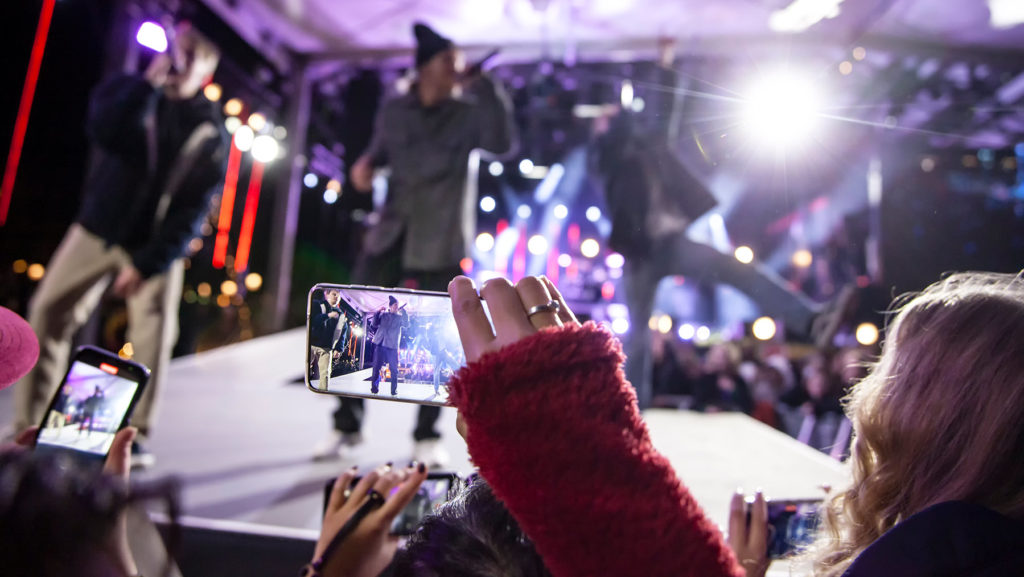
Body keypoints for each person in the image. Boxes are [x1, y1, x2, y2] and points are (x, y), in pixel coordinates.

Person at [12, 22, 228, 467]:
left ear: (207, 71)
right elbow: (103, 130)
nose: (180, 59)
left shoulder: (210, 131)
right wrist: (145, 87)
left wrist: (147, 264)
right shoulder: (134, 91)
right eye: (178, 48)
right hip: (99, 228)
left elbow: (192, 211)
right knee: (47, 312)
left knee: (153, 334)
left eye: (192, 55)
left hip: (154, 245)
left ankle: (134, 436)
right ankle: (31, 426)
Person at [315, 20, 516, 465]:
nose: (457, 68)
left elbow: (503, 142)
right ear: (426, 67)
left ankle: (426, 434)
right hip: (392, 230)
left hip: (441, 237)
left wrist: (484, 87)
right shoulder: (395, 110)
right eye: (449, 61)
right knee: (351, 317)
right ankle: (346, 424)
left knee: (439, 336)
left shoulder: (468, 114)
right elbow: (378, 153)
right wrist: (366, 166)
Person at [310, 288, 351, 391]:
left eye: (338, 296)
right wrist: (327, 316)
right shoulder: (317, 305)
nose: (336, 297)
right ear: (326, 294)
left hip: (326, 348)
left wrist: (339, 348)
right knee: (305, 368)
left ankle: (323, 392)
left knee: (325, 373)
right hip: (312, 344)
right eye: (334, 294)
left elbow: (342, 332)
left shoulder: (340, 315)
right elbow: (313, 321)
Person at [369, 296, 409, 396]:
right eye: (395, 305)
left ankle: (393, 391)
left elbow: (406, 324)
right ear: (390, 306)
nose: (396, 307)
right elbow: (374, 324)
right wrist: (378, 312)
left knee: (394, 370)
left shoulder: (400, 317)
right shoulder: (383, 315)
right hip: (380, 343)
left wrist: (404, 312)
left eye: (397, 305)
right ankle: (374, 389)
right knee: (376, 368)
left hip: (392, 346)